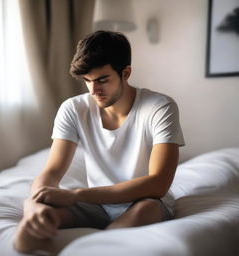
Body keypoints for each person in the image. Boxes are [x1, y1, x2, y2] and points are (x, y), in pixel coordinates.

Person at [14, 30, 185, 254]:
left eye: (102, 80)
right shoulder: (73, 109)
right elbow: (53, 170)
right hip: (97, 204)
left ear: (125, 73)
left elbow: (158, 184)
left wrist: (77, 195)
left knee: (143, 210)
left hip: (146, 201)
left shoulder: (160, 107)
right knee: (34, 226)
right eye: (87, 81)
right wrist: (34, 203)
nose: (94, 90)